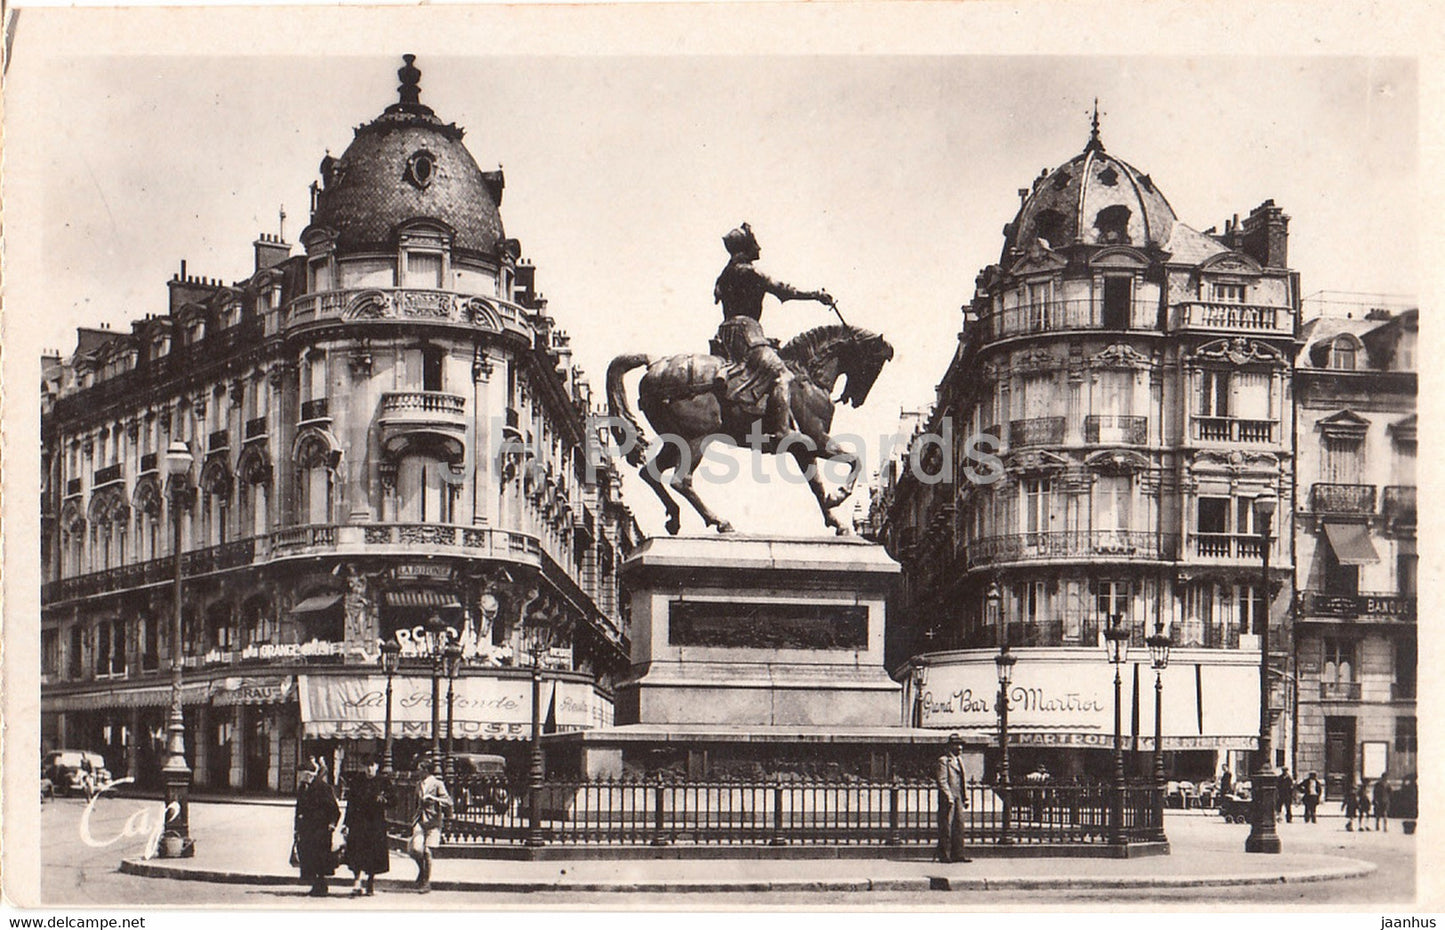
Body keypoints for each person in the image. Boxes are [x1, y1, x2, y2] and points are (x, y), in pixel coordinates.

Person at [712, 223, 834, 447]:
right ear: (745, 247)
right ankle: (782, 430)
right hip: (747, 333)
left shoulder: (724, 275)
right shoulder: (751, 272)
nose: (758, 248)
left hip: (726, 333)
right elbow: (784, 290)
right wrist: (816, 295)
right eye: (754, 244)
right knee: (783, 375)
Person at [343, 755, 390, 896]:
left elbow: (394, 800)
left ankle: (370, 881)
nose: (369, 769)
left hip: (375, 823)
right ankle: (357, 881)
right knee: (357, 853)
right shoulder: (357, 781)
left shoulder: (383, 782)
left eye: (372, 765)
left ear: (377, 766)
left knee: (373, 854)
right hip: (359, 823)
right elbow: (350, 804)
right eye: (367, 766)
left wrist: (384, 800)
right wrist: (346, 824)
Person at [294, 757, 341, 896]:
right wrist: (296, 829)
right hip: (306, 829)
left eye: (301, 773)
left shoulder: (323, 788)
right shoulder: (302, 788)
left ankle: (321, 885)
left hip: (320, 830)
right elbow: (299, 810)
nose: (299, 776)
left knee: (320, 859)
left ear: (308, 774)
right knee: (308, 857)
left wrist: (332, 824)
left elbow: (334, 809)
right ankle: (316, 885)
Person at [409, 759, 453, 893]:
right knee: (415, 849)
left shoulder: (437, 784)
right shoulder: (418, 784)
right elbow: (416, 803)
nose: (417, 771)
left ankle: (426, 882)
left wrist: (434, 799)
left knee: (427, 852)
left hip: (433, 822)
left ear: (426, 770)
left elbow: (448, 801)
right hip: (420, 821)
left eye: (419, 769)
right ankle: (422, 870)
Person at [934, 733, 971, 864]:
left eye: (960, 744)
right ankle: (944, 854)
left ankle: (958, 854)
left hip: (958, 796)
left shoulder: (959, 760)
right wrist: (948, 796)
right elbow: (942, 780)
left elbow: (963, 780)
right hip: (948, 797)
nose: (960, 747)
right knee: (946, 826)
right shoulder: (943, 761)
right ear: (950, 746)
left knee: (959, 825)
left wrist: (965, 797)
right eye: (957, 744)